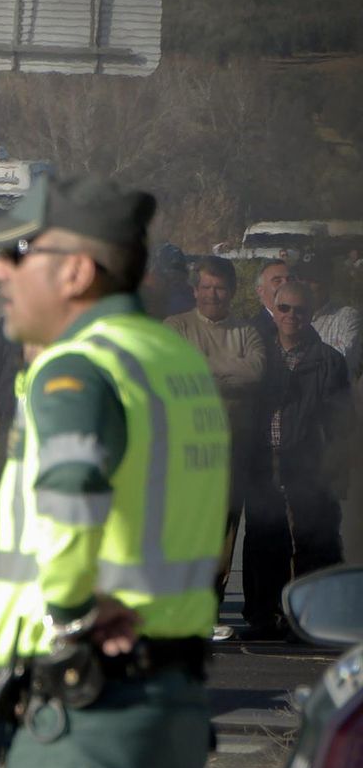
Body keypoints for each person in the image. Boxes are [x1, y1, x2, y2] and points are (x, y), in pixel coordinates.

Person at [0, 174, 228, 768]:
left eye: (20, 251)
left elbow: (70, 492)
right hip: (168, 710)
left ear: (78, 271)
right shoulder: (173, 360)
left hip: (89, 714)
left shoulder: (77, 369)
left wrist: (70, 610)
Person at [241, 280, 350, 639]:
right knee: (263, 541)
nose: (291, 316)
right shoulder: (260, 354)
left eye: (299, 310)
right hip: (263, 460)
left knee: (311, 544)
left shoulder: (328, 362)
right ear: (273, 309)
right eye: (284, 308)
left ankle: (304, 621)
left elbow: (340, 421)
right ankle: (262, 617)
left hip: (307, 465)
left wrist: (337, 475)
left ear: (311, 313)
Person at [164, 255, 265, 632]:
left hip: (232, 452)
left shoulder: (248, 332)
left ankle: (208, 611)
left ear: (233, 292)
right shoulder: (175, 326)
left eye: (220, 288)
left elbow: (254, 372)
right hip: (185, 451)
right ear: (194, 290)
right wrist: (226, 370)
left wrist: (203, 368)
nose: (212, 294)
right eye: (205, 287)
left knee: (222, 535)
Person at [292, 257, 363, 379]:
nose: (305, 285)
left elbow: (343, 360)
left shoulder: (346, 317)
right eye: (302, 278)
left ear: (328, 282)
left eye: (313, 279)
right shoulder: (288, 316)